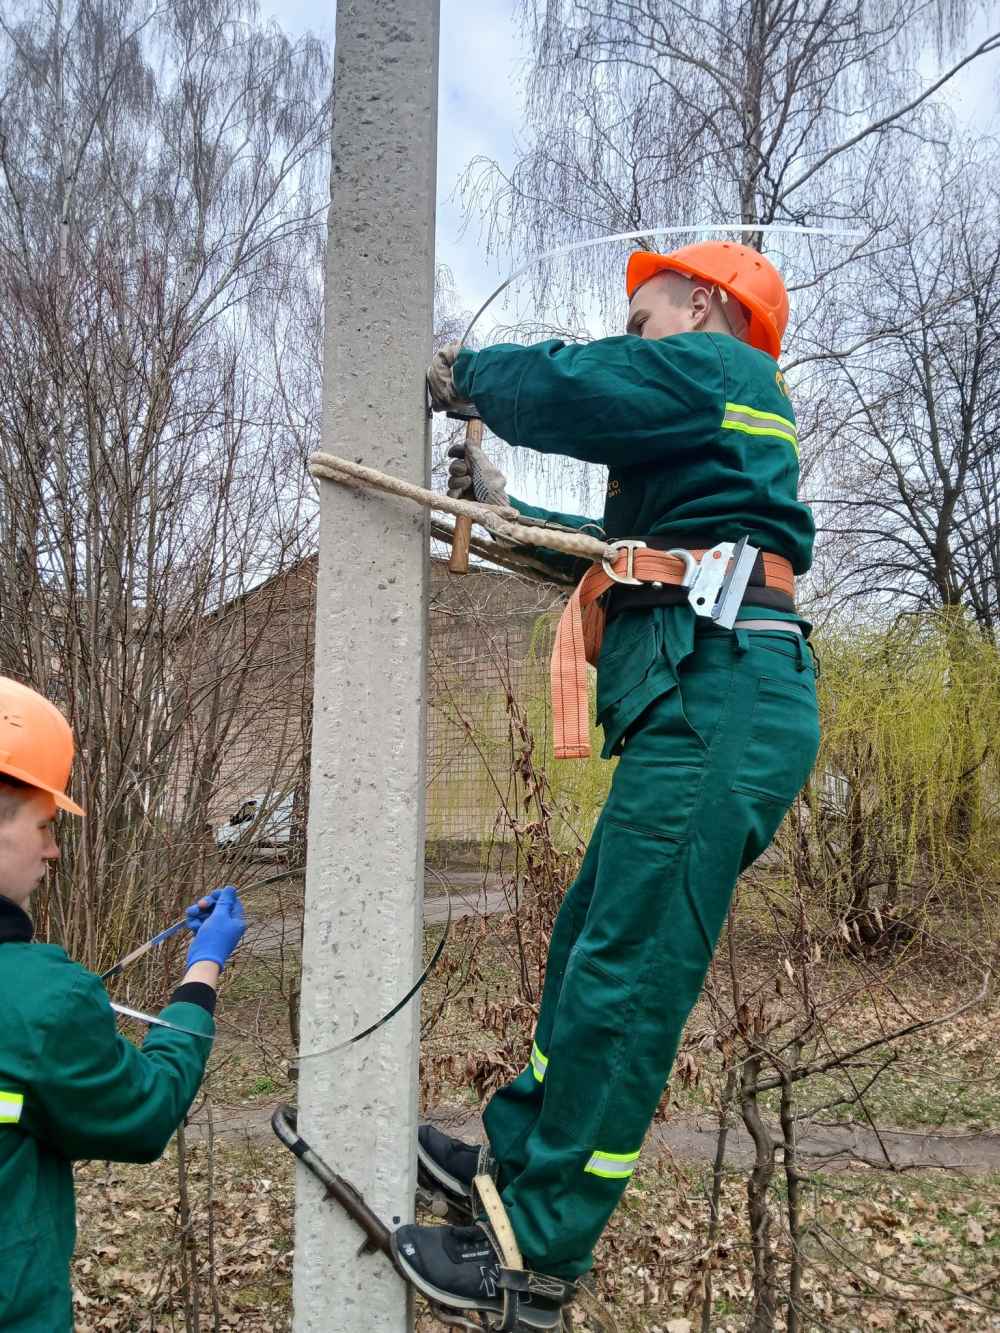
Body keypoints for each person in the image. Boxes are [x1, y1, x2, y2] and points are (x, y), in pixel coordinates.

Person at [394, 241, 822, 1328]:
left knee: (626, 981)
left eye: (644, 320)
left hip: (724, 697)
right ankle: (514, 1168)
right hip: (706, 694)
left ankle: (537, 1254)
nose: (633, 341)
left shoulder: (726, 372)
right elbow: (622, 558)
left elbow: (584, 386)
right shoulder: (704, 460)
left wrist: (468, 374)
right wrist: (503, 511)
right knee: (589, 945)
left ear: (704, 305)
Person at [0, 676, 247, 1331]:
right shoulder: (40, 1001)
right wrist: (204, 967)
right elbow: (147, 1108)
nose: (54, 849)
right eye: (44, 826)